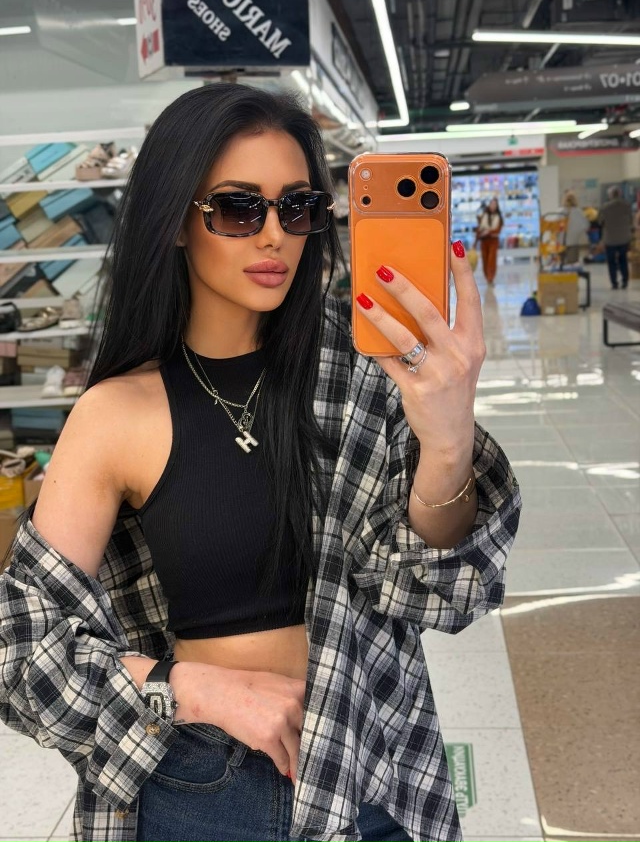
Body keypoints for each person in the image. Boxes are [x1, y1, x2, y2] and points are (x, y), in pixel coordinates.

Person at [0, 84, 521, 842]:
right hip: (203, 786)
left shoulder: (365, 371)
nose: (275, 235)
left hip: (372, 764)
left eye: (297, 208)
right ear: (176, 220)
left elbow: (437, 594)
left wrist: (447, 441)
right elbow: (19, 647)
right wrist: (191, 688)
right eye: (240, 208)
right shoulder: (117, 414)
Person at [599, 185, 633, 289]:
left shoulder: (605, 207)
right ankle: (625, 281)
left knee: (611, 262)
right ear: (620, 194)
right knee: (623, 260)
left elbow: (600, 222)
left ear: (610, 195)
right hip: (624, 238)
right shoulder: (627, 205)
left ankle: (614, 283)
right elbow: (630, 220)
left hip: (610, 239)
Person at [475, 197, 503, 285]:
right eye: (492, 204)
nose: (493, 206)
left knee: (491, 259)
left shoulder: (499, 217)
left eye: (494, 204)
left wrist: (488, 232)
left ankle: (490, 278)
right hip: (484, 241)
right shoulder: (484, 214)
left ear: (497, 206)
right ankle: (487, 278)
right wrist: (476, 240)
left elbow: (497, 230)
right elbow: (479, 228)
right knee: (485, 259)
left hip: (493, 241)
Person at [561, 190, 589, 265]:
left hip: (561, 242)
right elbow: (586, 225)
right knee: (572, 264)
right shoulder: (579, 212)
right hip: (574, 242)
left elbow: (555, 227)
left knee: (562, 264)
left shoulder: (561, 211)